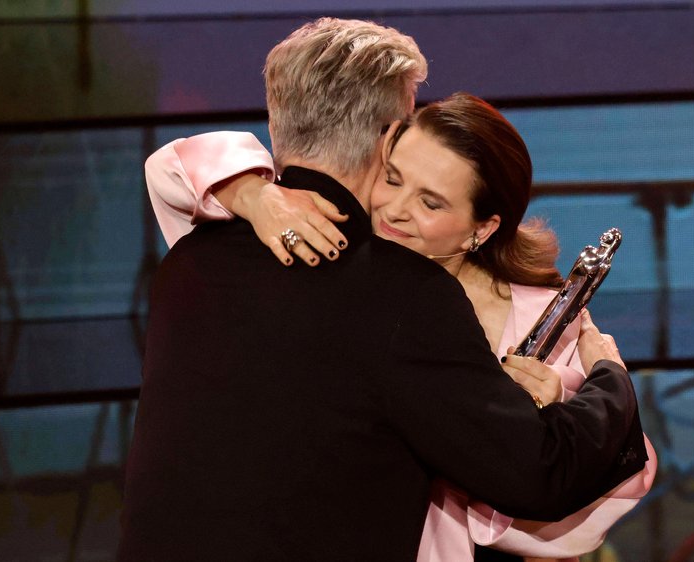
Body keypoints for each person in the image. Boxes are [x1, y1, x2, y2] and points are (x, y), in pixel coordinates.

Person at [118, 17, 647, 562]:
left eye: (432, 200)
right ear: (391, 134)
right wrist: (612, 380)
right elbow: (539, 474)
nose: (400, 209)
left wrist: (252, 193)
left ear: (278, 115)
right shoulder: (405, 297)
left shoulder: (189, 260)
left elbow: (176, 169)